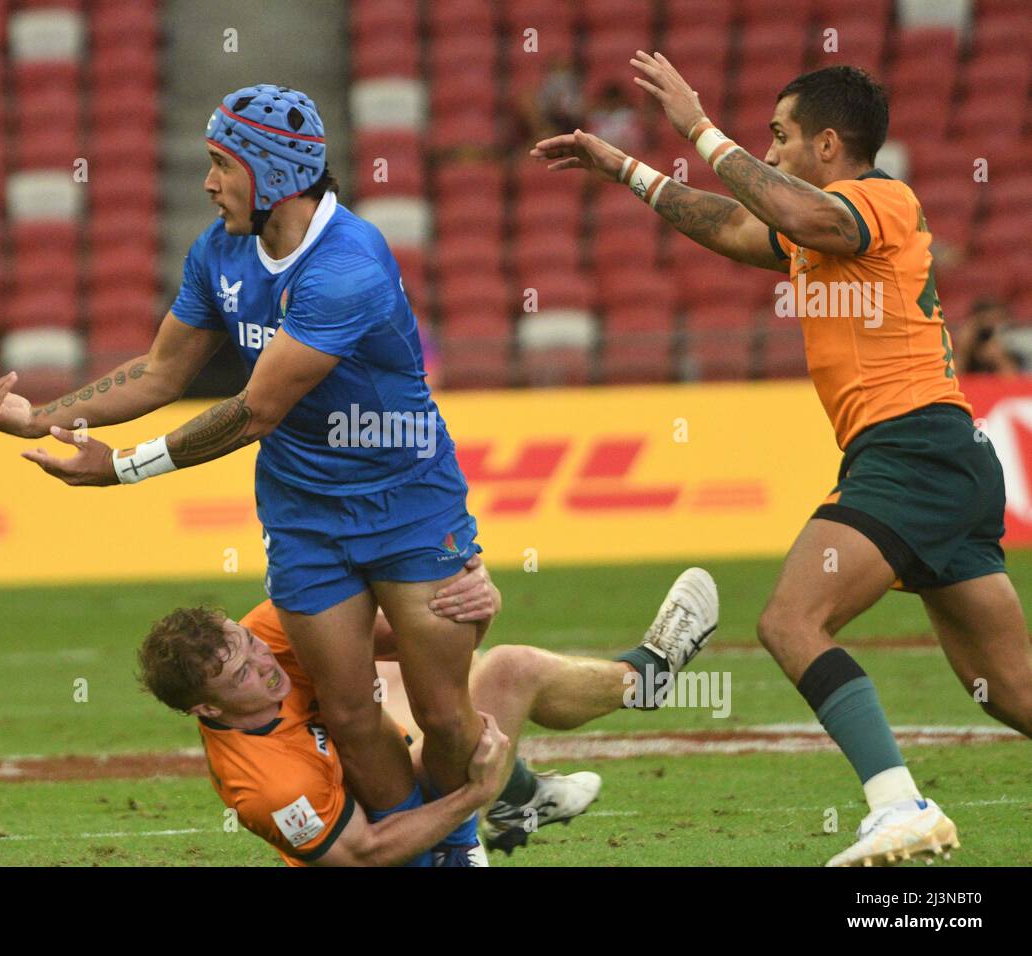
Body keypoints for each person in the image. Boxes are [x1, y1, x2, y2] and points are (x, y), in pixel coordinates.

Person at [0, 85, 488, 864]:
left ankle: (463, 842)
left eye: (219, 165)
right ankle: (423, 858)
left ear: (271, 172)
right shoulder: (218, 251)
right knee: (346, 709)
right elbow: (164, 369)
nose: (208, 183)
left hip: (406, 500)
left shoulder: (349, 263)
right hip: (304, 511)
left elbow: (253, 412)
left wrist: (124, 469)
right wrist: (42, 417)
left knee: (441, 712)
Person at [532, 59, 1032, 867]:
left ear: (828, 144)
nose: (770, 151)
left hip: (913, 450)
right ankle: (899, 802)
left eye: (781, 137)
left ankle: (898, 803)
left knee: (790, 620)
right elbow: (727, 223)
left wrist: (700, 125)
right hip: (941, 457)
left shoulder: (880, 200)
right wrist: (622, 165)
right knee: (1012, 689)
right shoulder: (818, 231)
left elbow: (793, 209)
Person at [136, 558, 718, 866]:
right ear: (207, 707)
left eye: (250, 645)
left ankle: (646, 677)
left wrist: (473, 607)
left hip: (400, 780)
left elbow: (428, 647)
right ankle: (498, 803)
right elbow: (366, 854)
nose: (264, 663)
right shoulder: (268, 783)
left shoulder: (269, 634)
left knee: (504, 667)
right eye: (243, 675)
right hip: (389, 852)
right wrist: (471, 796)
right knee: (362, 708)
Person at [953, 298, 1023, 375]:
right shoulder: (965, 349)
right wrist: (963, 351)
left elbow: (1015, 382)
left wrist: (1000, 359)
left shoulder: (1013, 348)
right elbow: (952, 380)